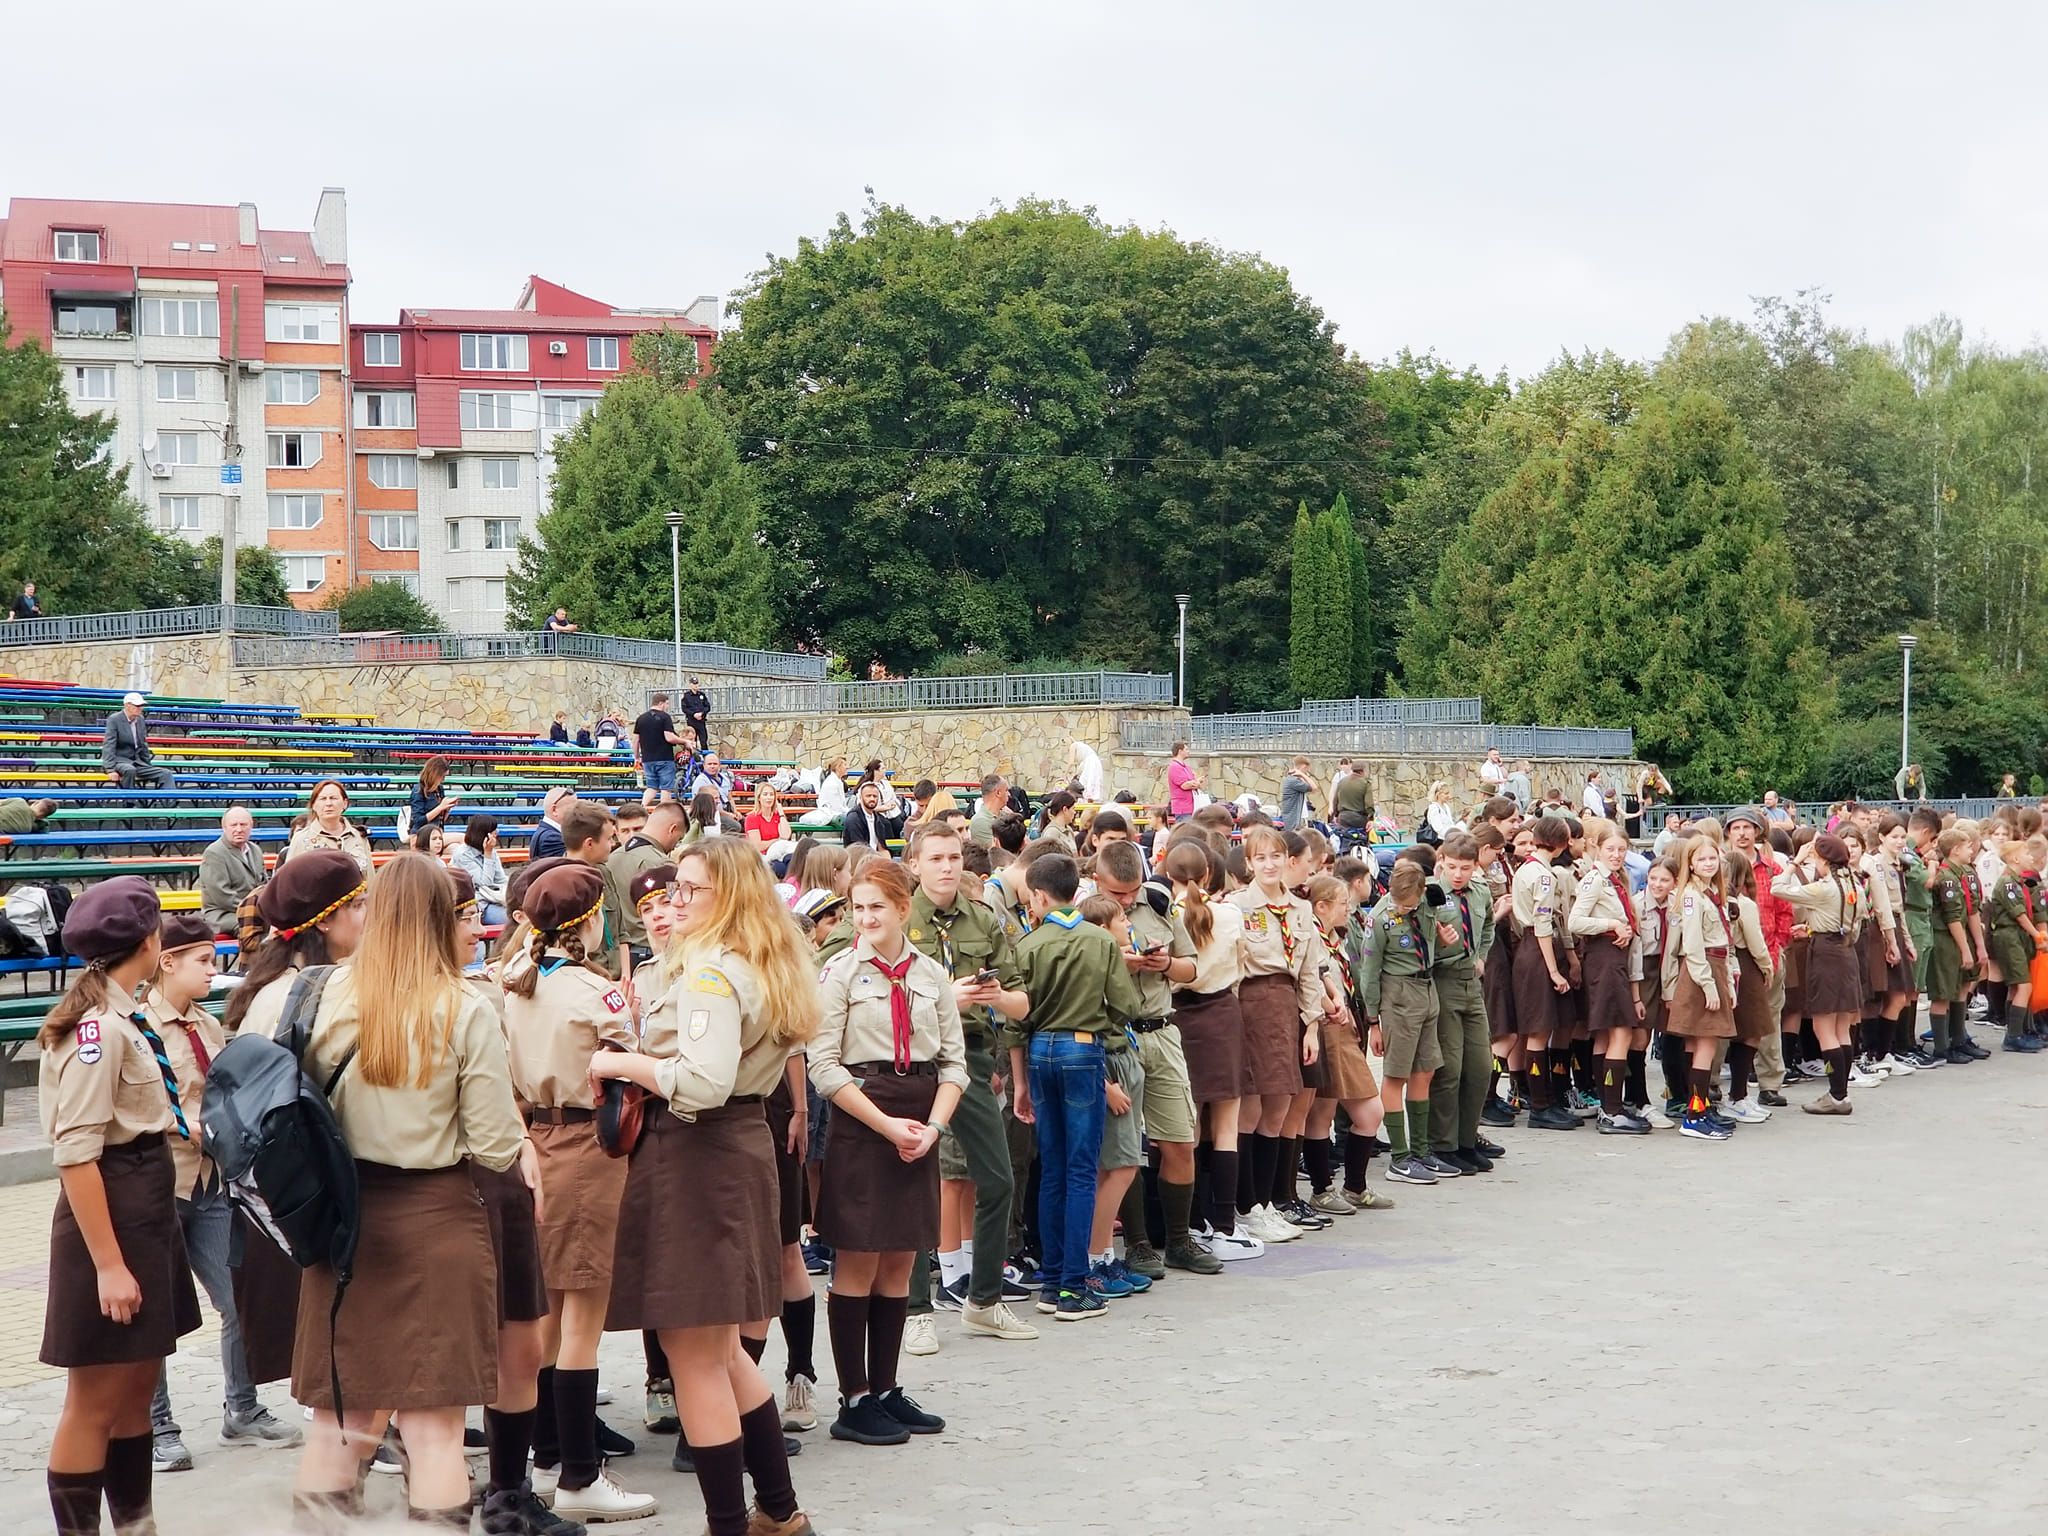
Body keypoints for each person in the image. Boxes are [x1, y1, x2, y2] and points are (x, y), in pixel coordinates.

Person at [287, 855, 534, 1530]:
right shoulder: (464, 1006)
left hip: (341, 1225)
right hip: (435, 1221)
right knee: (433, 1429)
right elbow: (493, 1147)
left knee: (340, 1422)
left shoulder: (319, 991)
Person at [590, 838, 821, 1536]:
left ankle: (731, 1524)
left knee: (696, 1359)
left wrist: (623, 1061)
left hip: (697, 1153)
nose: (674, 901)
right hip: (728, 1149)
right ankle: (778, 1513)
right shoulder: (754, 961)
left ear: (729, 898)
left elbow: (700, 1081)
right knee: (720, 1352)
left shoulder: (713, 975)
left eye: (689, 889)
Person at [38, 878, 202, 1536]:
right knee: (93, 1401)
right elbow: (77, 1155)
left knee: (136, 1390)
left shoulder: (126, 1012)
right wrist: (108, 1264)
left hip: (144, 1205)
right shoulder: (95, 1030)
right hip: (107, 1211)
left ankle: (137, 1527)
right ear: (146, 940)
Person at [503, 864, 657, 1521]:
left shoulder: (512, 982)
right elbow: (634, 1069)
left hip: (532, 1141)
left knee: (547, 1315)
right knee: (582, 1323)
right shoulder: (598, 994)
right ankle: (579, 1474)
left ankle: (543, 1454)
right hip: (587, 1147)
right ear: (588, 922)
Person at [809, 859, 967, 1444]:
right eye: (858, 907)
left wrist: (932, 1129)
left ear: (904, 908)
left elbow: (954, 1063)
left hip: (921, 1122)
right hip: (864, 1118)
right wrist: (886, 1126)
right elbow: (823, 1065)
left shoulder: (930, 973)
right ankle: (853, 1400)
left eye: (878, 906)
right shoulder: (841, 974)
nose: (867, 917)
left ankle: (885, 1387)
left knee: (900, 1258)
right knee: (859, 1259)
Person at [145, 916, 301, 1473]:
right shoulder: (139, 1029)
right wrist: (203, 1127)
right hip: (163, 1186)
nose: (215, 972)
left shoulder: (207, 1027)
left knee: (237, 1300)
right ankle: (158, 1425)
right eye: (203, 962)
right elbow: (152, 1109)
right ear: (168, 962)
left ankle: (243, 1407)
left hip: (211, 1184)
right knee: (157, 1315)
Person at [901, 823, 1038, 1343]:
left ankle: (983, 1299)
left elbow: (1022, 1003)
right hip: (914, 1062)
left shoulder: (983, 918)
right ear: (915, 864)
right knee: (917, 1182)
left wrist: (995, 996)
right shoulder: (897, 919)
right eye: (935, 857)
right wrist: (945, 1000)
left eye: (954, 856)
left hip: (972, 1057)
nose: (946, 866)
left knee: (998, 1178)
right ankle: (915, 1310)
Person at [1003, 853, 1145, 1321]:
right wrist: (1098, 1027)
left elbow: (1016, 1019)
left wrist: (1020, 1080)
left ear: (1040, 896)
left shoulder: (1028, 943)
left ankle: (1052, 1281)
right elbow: (1124, 1004)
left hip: (1039, 1050)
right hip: (1083, 1051)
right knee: (1082, 1170)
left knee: (1053, 1169)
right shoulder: (1099, 941)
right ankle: (1073, 1286)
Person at [1225, 825, 1328, 1242]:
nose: (1269, 865)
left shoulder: (1300, 910)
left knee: (1281, 1107)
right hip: (1250, 1005)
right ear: (1249, 864)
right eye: (1260, 858)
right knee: (1250, 1107)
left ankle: (1267, 1202)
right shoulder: (1235, 907)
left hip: (1288, 1010)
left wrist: (1312, 1026)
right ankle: (1245, 1206)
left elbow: (1309, 972)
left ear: (1289, 861)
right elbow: (1230, 967)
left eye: (1276, 857)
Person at [1427, 833, 1505, 1170]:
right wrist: (1437, 940)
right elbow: (1413, 938)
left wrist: (1482, 956)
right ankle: (1443, 1144)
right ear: (1442, 860)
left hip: (1471, 983)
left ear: (1476, 866)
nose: (1458, 874)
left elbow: (1487, 925)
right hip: (1442, 979)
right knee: (1450, 1068)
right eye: (1453, 866)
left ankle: (1467, 1138)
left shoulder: (1480, 891)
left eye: (1466, 867)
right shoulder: (1430, 893)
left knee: (1480, 1066)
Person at [199, 808, 265, 936]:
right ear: (224, 827)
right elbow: (222, 897)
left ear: (251, 826)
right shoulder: (214, 853)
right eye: (234, 825)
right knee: (255, 929)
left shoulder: (255, 850)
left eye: (243, 824)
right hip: (223, 914)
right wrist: (254, 911)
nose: (239, 829)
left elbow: (263, 885)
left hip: (253, 911)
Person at [284, 780, 372, 875]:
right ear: (313, 805)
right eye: (322, 799)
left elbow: (370, 877)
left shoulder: (358, 837)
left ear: (345, 803)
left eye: (334, 798)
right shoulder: (301, 839)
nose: (328, 803)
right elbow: (289, 880)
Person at [101, 693, 174, 791]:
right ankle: (128, 802)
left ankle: (170, 803)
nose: (140, 708)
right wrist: (110, 769)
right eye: (137, 705)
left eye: (141, 706)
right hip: (120, 761)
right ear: (127, 705)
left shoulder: (140, 720)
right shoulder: (115, 719)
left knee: (166, 773)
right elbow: (109, 745)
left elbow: (143, 744)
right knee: (129, 770)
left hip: (137, 762)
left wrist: (148, 765)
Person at [453, 815, 512, 927]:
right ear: (484, 834)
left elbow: (501, 878)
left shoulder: (491, 851)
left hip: (497, 898)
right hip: (480, 904)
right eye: (493, 830)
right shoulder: (462, 855)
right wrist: (488, 855)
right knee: (512, 921)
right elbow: (485, 883)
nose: (497, 832)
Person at [634, 693, 685, 802]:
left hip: (647, 759)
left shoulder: (641, 718)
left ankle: (643, 807)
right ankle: (664, 813)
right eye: (667, 704)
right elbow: (669, 737)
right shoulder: (665, 717)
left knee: (652, 787)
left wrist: (637, 757)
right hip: (664, 758)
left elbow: (636, 740)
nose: (667, 707)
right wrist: (685, 741)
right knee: (666, 789)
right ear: (661, 703)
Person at [840, 780, 902, 855]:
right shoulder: (853, 818)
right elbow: (858, 849)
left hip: (876, 858)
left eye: (875, 796)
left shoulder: (879, 819)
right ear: (861, 797)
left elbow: (882, 847)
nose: (872, 799)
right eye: (868, 796)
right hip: (859, 859)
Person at [532, 787, 576, 863]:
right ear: (554, 810)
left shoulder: (547, 833)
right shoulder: (551, 838)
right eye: (572, 808)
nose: (576, 812)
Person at [1166, 742, 1202, 821]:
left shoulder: (1186, 767)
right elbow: (1185, 785)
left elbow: (1193, 781)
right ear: (1180, 751)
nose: (1189, 751)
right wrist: (1195, 783)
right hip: (1182, 808)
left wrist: (1196, 782)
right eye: (1186, 749)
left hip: (1191, 806)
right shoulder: (1174, 767)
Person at [1278, 757, 1316, 830]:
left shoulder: (1292, 779)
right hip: (1292, 821)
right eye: (1306, 770)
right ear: (1303, 767)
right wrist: (1302, 775)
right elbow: (1314, 788)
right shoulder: (1293, 781)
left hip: (1294, 819)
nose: (1307, 772)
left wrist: (1301, 775)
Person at [680, 680, 712, 754]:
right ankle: (693, 756)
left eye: (697, 684)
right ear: (690, 685)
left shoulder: (702, 695)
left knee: (703, 741)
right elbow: (684, 708)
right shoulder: (687, 696)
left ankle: (705, 757)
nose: (696, 686)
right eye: (694, 684)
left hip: (701, 721)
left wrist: (702, 713)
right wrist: (693, 714)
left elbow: (707, 707)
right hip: (692, 721)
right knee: (692, 740)